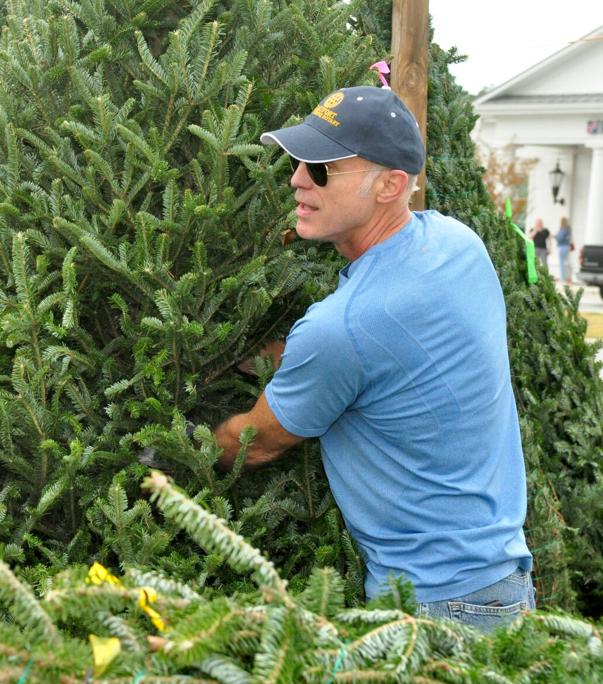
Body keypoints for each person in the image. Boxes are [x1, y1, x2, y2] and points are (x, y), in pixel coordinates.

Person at [214, 86, 534, 632]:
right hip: (503, 587)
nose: (296, 178)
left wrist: (172, 450)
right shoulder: (457, 245)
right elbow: (388, 353)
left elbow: (254, 443)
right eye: (297, 161)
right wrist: (261, 357)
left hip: (433, 612)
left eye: (321, 169)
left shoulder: (345, 326)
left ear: (390, 184)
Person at [555, 217, 573, 283]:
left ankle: (563, 278)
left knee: (562, 263)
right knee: (567, 262)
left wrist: (555, 236)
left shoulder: (563, 229)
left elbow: (559, 238)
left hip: (562, 247)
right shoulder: (568, 229)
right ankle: (569, 277)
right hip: (567, 246)